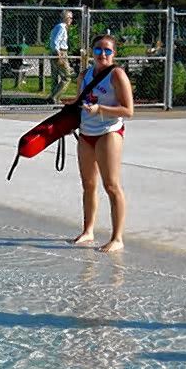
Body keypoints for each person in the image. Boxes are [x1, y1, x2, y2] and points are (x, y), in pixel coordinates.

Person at [71, 34, 134, 253]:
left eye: (108, 51)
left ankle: (117, 238)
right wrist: (70, 118)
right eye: (98, 50)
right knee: (88, 184)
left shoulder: (117, 75)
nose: (103, 54)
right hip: (86, 132)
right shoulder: (85, 75)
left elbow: (128, 110)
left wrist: (101, 110)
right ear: (92, 52)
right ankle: (88, 230)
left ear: (114, 54)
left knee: (111, 185)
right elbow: (80, 103)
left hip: (109, 131)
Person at [48, 10, 74, 104]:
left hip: (57, 52)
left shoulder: (58, 27)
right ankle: (54, 97)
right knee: (67, 77)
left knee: (55, 76)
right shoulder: (61, 27)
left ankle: (53, 96)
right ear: (65, 18)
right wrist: (58, 54)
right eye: (70, 17)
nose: (71, 20)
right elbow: (56, 41)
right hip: (60, 53)